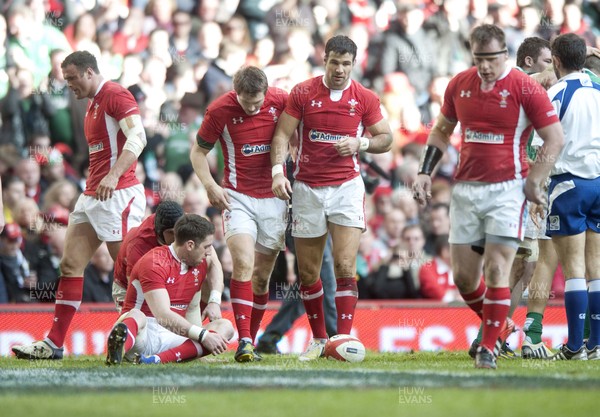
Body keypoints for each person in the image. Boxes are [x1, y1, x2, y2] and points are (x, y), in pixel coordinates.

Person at [412, 24, 564, 369]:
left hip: (508, 190)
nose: (485, 66)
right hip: (466, 190)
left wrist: (535, 180)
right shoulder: (458, 85)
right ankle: (500, 324)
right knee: (464, 278)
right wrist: (424, 171)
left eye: (492, 59)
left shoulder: (526, 88)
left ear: (504, 56)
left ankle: (487, 348)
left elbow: (554, 139)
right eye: (479, 58)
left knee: (498, 269)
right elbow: (441, 130)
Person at [12, 50, 147, 360]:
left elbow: (138, 138)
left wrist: (114, 176)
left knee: (126, 274)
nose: (69, 84)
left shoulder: (115, 94)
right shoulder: (91, 106)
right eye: (66, 79)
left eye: (72, 78)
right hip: (92, 196)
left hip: (119, 195)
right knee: (71, 264)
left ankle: (140, 341)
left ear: (89, 72)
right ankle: (54, 344)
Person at [271, 35, 393, 361]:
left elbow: (386, 138)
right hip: (307, 187)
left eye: (346, 64)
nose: (340, 69)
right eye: (334, 62)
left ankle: (343, 337)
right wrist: (277, 173)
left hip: (346, 188)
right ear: (324, 59)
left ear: (354, 64)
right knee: (309, 274)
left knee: (343, 265)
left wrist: (360, 145)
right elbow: (282, 134)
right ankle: (319, 339)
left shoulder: (364, 98)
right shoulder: (302, 92)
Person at [190, 66, 288, 362]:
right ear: (236, 93)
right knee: (243, 263)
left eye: (259, 101)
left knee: (261, 278)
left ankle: (252, 340)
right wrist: (209, 185)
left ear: (266, 92)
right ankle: (244, 341)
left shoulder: (281, 100)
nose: (254, 107)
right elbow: (197, 152)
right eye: (247, 102)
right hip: (237, 197)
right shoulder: (220, 109)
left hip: (275, 198)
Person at [105, 214, 233, 365]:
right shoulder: (154, 262)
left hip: (174, 334)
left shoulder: (200, 256)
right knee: (136, 315)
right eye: (206, 247)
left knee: (226, 327)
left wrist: (214, 301)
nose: (209, 252)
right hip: (144, 334)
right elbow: (163, 315)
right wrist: (203, 335)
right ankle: (119, 351)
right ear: (190, 245)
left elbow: (215, 266)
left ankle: (155, 360)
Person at [543, 33, 600, 361]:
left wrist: (537, 184)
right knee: (596, 267)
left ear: (556, 60)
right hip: (599, 182)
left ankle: (575, 346)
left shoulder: (558, 92)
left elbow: (546, 141)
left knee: (574, 268)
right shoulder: (598, 88)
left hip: (569, 183)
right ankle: (596, 346)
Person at [112, 200, 184, 312]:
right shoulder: (138, 244)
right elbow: (135, 287)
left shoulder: (181, 222)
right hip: (130, 287)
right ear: (159, 231)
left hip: (165, 279)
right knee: (138, 320)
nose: (177, 237)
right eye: (171, 233)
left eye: (179, 232)